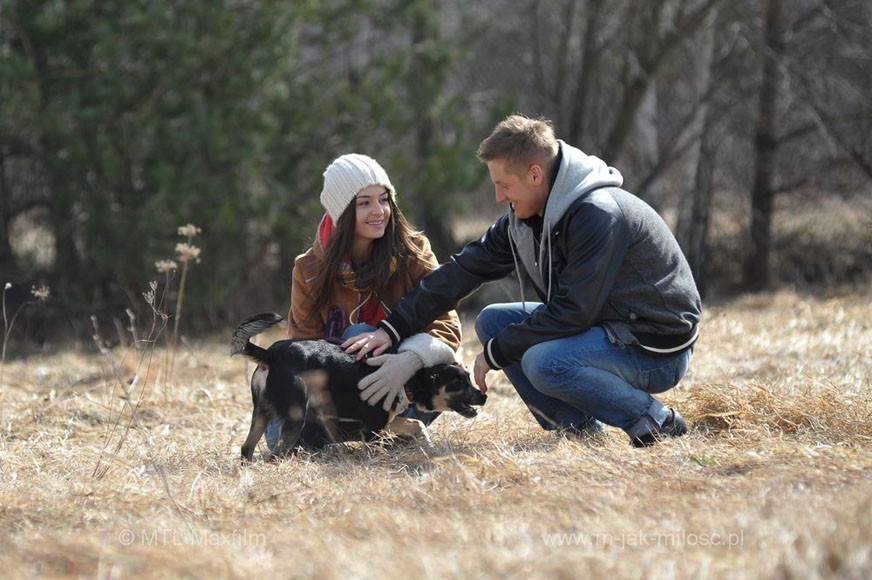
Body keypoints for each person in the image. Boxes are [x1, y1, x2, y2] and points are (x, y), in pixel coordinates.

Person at [346, 115, 702, 447]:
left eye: (504, 185)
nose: (500, 198)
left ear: (535, 174)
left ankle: (653, 420)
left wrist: (497, 353)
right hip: (606, 327)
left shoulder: (597, 214)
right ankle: (578, 433)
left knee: (542, 362)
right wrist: (392, 328)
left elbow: (573, 312)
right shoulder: (525, 216)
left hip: (655, 347)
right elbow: (462, 271)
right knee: (492, 320)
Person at [264, 153, 462, 451]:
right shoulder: (309, 269)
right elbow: (304, 348)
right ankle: (366, 430)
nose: (379, 211)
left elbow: (447, 325)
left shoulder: (413, 250)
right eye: (364, 203)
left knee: (358, 335)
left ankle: (397, 426)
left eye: (384, 199)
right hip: (342, 392)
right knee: (277, 436)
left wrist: (407, 360)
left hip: (408, 384)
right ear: (341, 212)